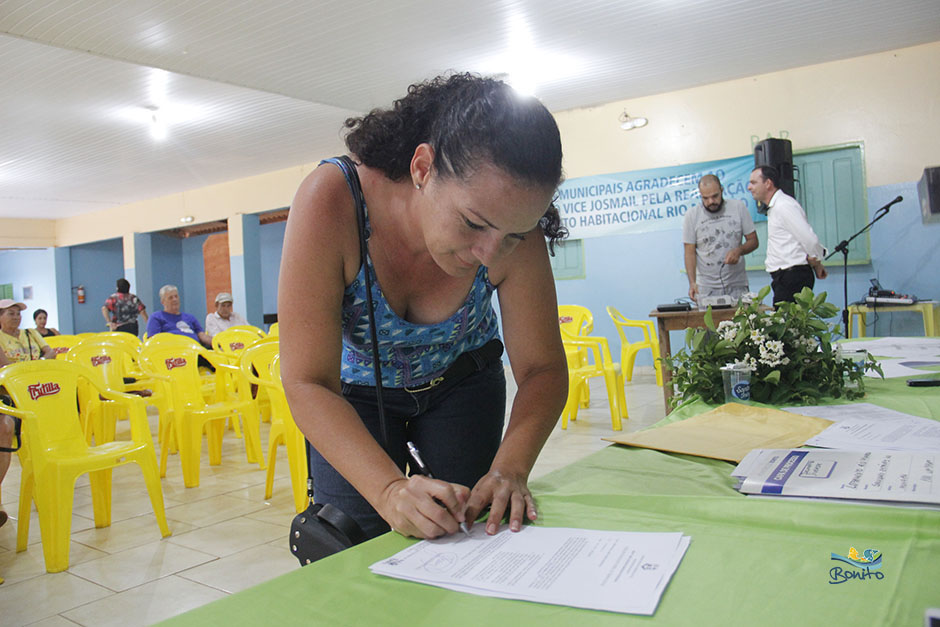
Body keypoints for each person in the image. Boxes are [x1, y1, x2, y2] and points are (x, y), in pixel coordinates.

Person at [278, 73, 568, 542]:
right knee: (353, 537)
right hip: (354, 395)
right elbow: (307, 380)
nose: (491, 253)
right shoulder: (331, 201)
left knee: (471, 531)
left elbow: (543, 369)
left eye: (514, 235)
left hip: (463, 382)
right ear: (422, 168)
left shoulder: (517, 229)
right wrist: (390, 489)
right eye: (473, 223)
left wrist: (510, 469)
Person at [0, 299, 55, 532]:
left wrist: (39, 364)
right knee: (6, 427)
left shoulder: (32, 334)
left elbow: (50, 351)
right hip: (10, 393)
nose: (16, 317)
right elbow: (6, 370)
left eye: (18, 313)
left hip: (37, 389)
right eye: (11, 313)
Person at [747, 166, 828, 304]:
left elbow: (809, 239)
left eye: (754, 182)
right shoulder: (776, 206)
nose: (749, 187)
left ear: (768, 183)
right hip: (785, 277)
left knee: (787, 323)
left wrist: (817, 261)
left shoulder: (784, 205)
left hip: (792, 276)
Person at [682, 174, 758, 302]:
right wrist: (692, 283)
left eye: (715, 196)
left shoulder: (738, 207)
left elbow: (754, 241)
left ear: (722, 190)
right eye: (705, 198)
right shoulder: (692, 215)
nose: (711, 202)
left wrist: (739, 251)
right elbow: (689, 252)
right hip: (706, 288)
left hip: (737, 284)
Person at [146, 285, 211, 347]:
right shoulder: (156, 317)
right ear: (163, 302)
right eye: (170, 298)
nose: (175, 299)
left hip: (195, 350)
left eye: (176, 296)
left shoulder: (190, 317)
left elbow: (202, 336)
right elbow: (153, 341)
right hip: (172, 352)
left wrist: (217, 343)